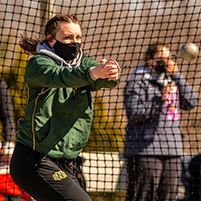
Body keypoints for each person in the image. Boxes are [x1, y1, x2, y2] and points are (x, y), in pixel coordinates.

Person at [10, 14, 120, 201]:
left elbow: (103, 80)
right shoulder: (39, 63)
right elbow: (62, 76)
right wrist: (93, 73)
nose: (74, 43)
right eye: (68, 38)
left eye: (78, 37)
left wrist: (111, 70)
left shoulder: (82, 62)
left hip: (66, 163)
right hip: (34, 160)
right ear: (51, 41)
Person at [123, 41, 198, 201]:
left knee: (169, 196)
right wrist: (159, 99)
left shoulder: (171, 79)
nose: (166, 61)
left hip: (172, 150)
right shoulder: (138, 79)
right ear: (150, 58)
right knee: (143, 197)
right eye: (162, 58)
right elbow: (134, 114)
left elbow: (192, 102)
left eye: (169, 57)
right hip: (144, 151)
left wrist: (177, 75)